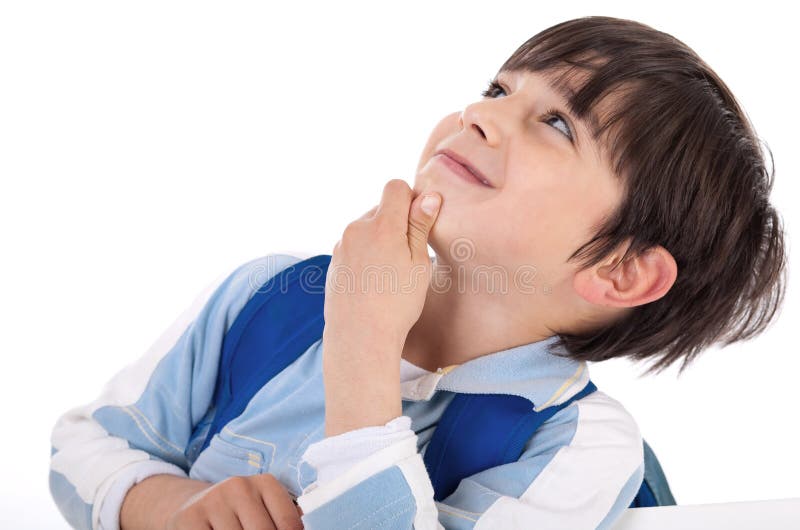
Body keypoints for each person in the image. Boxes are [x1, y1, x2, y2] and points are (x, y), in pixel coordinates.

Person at [49, 15, 787, 530]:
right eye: (499, 89)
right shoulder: (269, 296)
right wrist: (166, 508)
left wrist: (364, 352)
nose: (478, 113)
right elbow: (79, 448)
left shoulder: (578, 447)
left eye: (557, 123)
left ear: (622, 271)